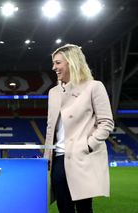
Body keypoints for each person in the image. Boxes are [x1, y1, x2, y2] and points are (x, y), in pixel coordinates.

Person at [44, 44, 114, 213]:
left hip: (81, 157)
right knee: (64, 207)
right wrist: (48, 155)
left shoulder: (94, 87)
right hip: (59, 159)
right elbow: (50, 126)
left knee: (84, 208)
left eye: (58, 63)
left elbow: (106, 123)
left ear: (71, 62)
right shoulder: (53, 92)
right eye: (53, 63)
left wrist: (87, 145)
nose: (54, 67)